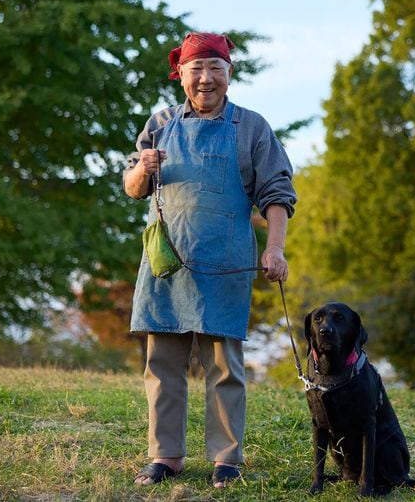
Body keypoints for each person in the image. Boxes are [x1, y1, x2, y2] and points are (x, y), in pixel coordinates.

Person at [123, 32, 297, 489]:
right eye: (196, 69)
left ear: (229, 74)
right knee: (162, 366)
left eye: (215, 68)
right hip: (167, 265)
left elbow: (277, 194)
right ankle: (165, 456)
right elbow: (133, 188)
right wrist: (143, 169)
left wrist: (274, 249)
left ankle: (226, 459)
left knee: (224, 369)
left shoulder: (252, 128)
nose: (205, 78)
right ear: (180, 75)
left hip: (226, 263)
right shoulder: (160, 123)